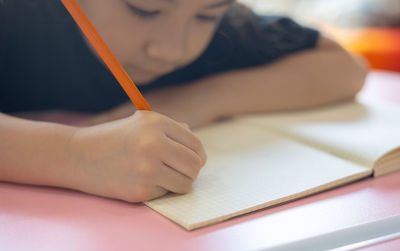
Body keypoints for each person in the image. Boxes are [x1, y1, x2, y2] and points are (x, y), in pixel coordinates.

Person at [0, 0, 368, 203]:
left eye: (206, 16)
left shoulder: (225, 34)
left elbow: (344, 68)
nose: (170, 49)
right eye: (144, 9)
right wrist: (74, 155)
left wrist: (202, 99)